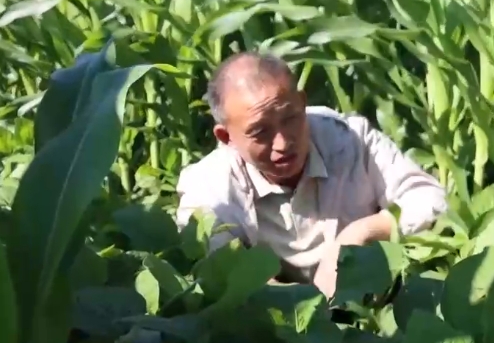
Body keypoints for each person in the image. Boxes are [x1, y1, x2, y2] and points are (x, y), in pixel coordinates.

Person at [174, 52, 448, 298]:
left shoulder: (350, 139)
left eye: (290, 118)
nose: (282, 143)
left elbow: (430, 201)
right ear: (226, 137)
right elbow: (216, 271)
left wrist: (359, 234)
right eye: (260, 132)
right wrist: (291, 302)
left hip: (375, 297)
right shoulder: (209, 187)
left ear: (302, 103)